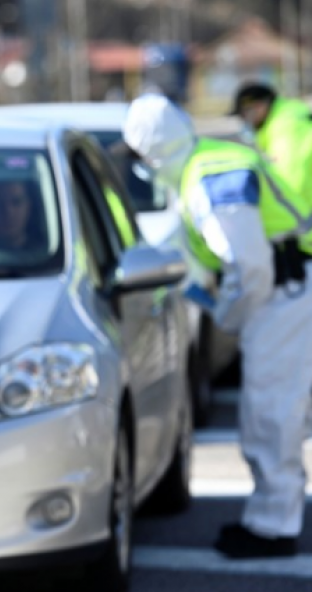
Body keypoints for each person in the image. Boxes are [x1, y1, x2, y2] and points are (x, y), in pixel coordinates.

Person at [123, 93, 312, 559]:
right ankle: (270, 519)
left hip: (282, 295)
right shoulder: (205, 163)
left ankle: (273, 529)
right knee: (275, 412)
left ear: (152, 154)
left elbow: (250, 268)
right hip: (286, 291)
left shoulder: (209, 177)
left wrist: (226, 315)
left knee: (271, 415)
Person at [229, 81, 312, 206]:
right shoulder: (288, 116)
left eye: (244, 114)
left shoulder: (287, 128)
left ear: (259, 106)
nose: (244, 121)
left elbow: (292, 186)